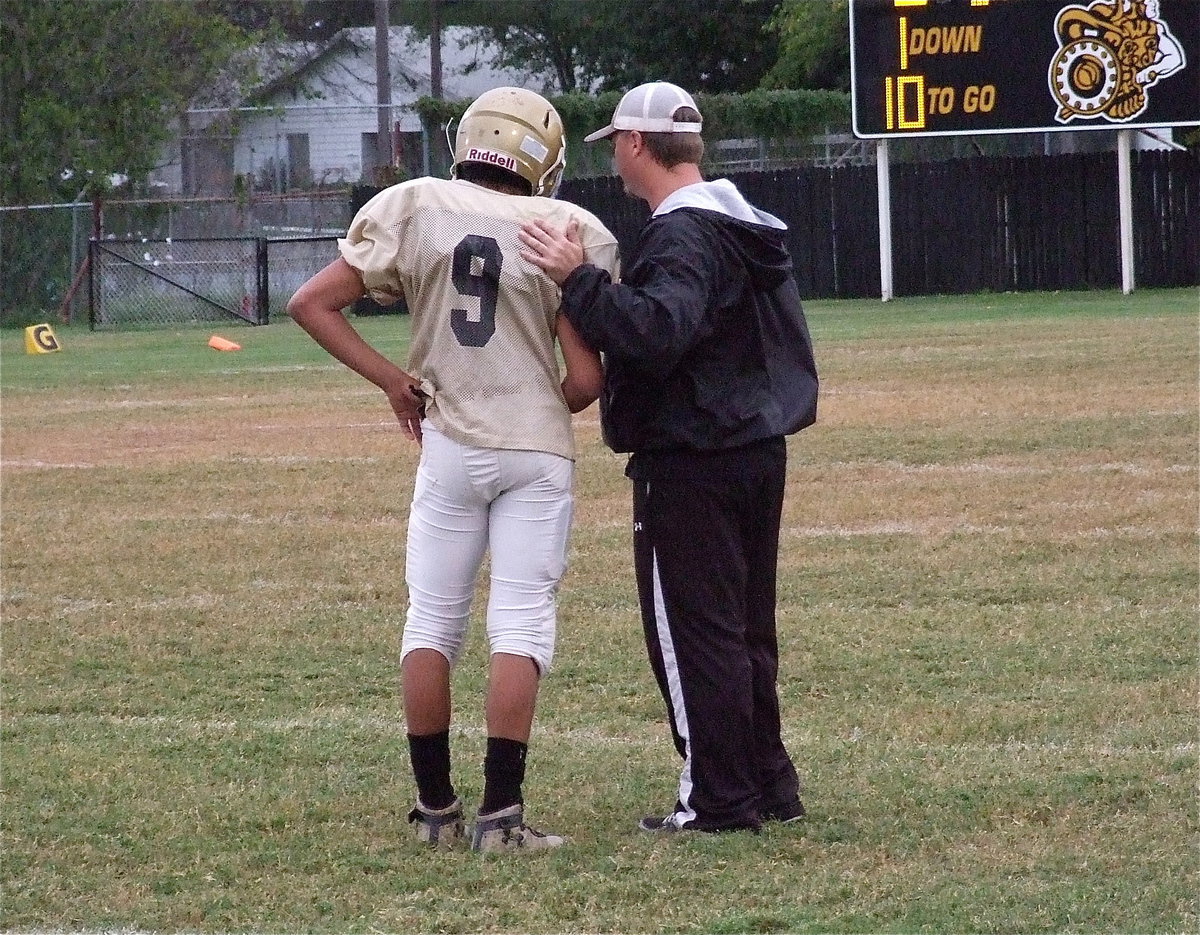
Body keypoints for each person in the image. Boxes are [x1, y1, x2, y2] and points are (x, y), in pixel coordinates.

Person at [287, 87, 620, 853]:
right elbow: (588, 381)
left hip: (449, 444)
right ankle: (501, 819)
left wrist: (392, 381)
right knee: (521, 622)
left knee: (432, 619)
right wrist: (541, 402)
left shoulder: (415, 206)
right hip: (533, 449)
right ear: (542, 161)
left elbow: (311, 303)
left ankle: (435, 812)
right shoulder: (566, 228)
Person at [519, 81, 818, 834]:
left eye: (616, 145)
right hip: (754, 446)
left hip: (694, 457)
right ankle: (766, 783)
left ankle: (718, 798)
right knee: (747, 628)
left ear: (634, 144)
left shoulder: (682, 233)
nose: (616, 161)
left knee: (695, 633)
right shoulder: (736, 220)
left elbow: (659, 329)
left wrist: (575, 278)